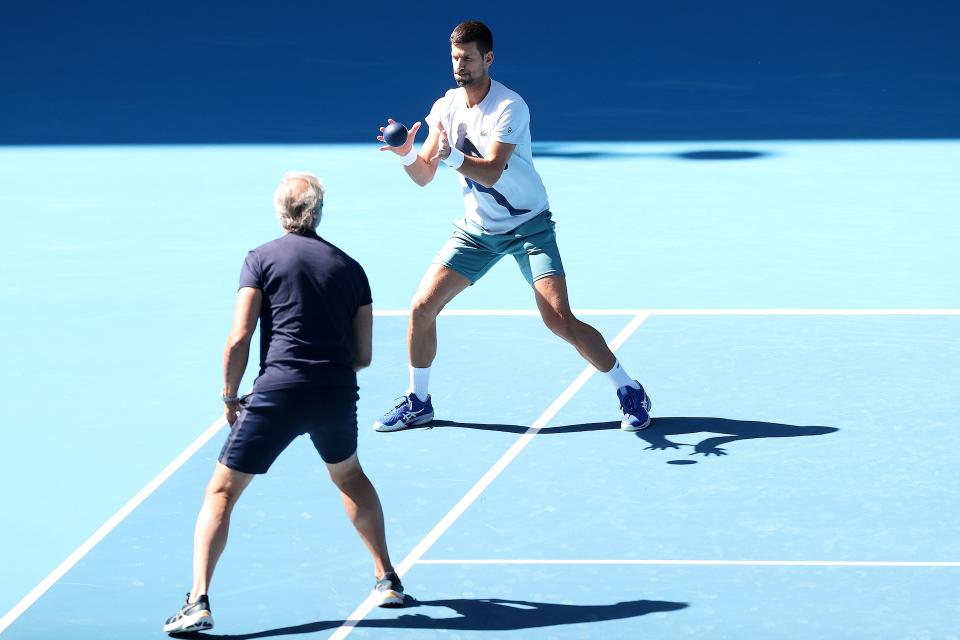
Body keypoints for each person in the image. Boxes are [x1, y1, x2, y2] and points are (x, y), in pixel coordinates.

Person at [374, 20, 651, 432]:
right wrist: (405, 154)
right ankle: (419, 401)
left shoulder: (510, 107)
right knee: (420, 308)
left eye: (467, 58)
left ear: (487, 58)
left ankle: (628, 388)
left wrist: (448, 158)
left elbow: (491, 172)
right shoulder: (445, 107)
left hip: (529, 227)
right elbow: (425, 175)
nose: (460, 66)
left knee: (560, 320)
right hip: (478, 231)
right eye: (454, 58)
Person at [163, 172, 403, 635]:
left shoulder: (260, 260)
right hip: (335, 393)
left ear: (280, 212)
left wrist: (231, 395)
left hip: (275, 395)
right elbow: (364, 357)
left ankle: (197, 601)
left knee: (221, 493)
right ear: (318, 212)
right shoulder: (352, 268)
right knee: (350, 476)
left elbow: (239, 339)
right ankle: (386, 578)